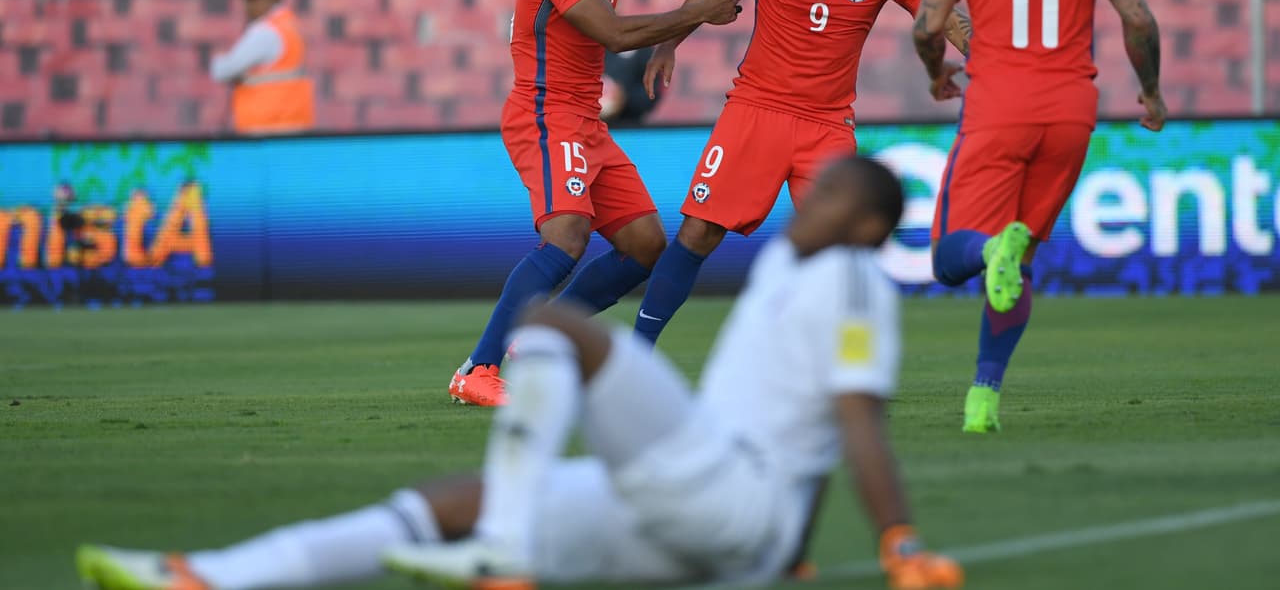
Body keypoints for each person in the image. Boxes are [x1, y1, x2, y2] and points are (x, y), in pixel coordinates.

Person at [74, 155, 965, 590]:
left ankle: (501, 547)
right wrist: (786, 556)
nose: (811, 201)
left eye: (835, 197)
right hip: (712, 513)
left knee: (554, 327)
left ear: (869, 228)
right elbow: (804, 424)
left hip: (731, 489)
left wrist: (899, 542)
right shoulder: (792, 266)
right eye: (818, 190)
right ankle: (212, 576)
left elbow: (855, 419)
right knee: (447, 497)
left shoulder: (852, 283)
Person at [628, 0, 971, 347]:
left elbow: (945, 18)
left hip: (828, 126)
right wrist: (667, 43)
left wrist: (989, 57)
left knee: (845, 252)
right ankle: (638, 351)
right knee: (699, 234)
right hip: (757, 110)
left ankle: (842, 369)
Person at [447, 0, 741, 406]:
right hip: (545, 113)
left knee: (646, 246)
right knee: (567, 239)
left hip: (587, 122)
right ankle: (477, 367)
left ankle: (541, 334)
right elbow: (612, 33)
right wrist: (698, 13)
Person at [911, 0, 1166, 434]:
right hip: (1071, 112)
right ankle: (984, 398)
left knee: (950, 259)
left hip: (1000, 106)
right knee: (1016, 264)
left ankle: (992, 251)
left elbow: (927, 25)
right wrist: (1152, 92)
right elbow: (1137, 18)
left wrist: (936, 71)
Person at [210, 0, 317, 136]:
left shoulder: (265, 32)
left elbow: (223, 71)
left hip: (266, 130)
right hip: (293, 127)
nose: (248, 5)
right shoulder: (290, 25)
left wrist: (218, 59)